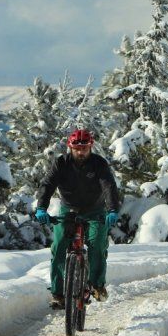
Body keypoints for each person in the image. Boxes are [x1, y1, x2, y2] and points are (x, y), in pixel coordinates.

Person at [35, 128, 120, 309]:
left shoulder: (98, 163)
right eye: (77, 148)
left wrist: (112, 210)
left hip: (95, 211)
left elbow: (108, 186)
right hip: (68, 211)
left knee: (97, 243)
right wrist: (41, 208)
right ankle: (58, 294)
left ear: (90, 147)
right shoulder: (61, 163)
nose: (81, 152)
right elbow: (47, 184)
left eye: (84, 148)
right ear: (70, 148)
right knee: (58, 247)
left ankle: (97, 285)